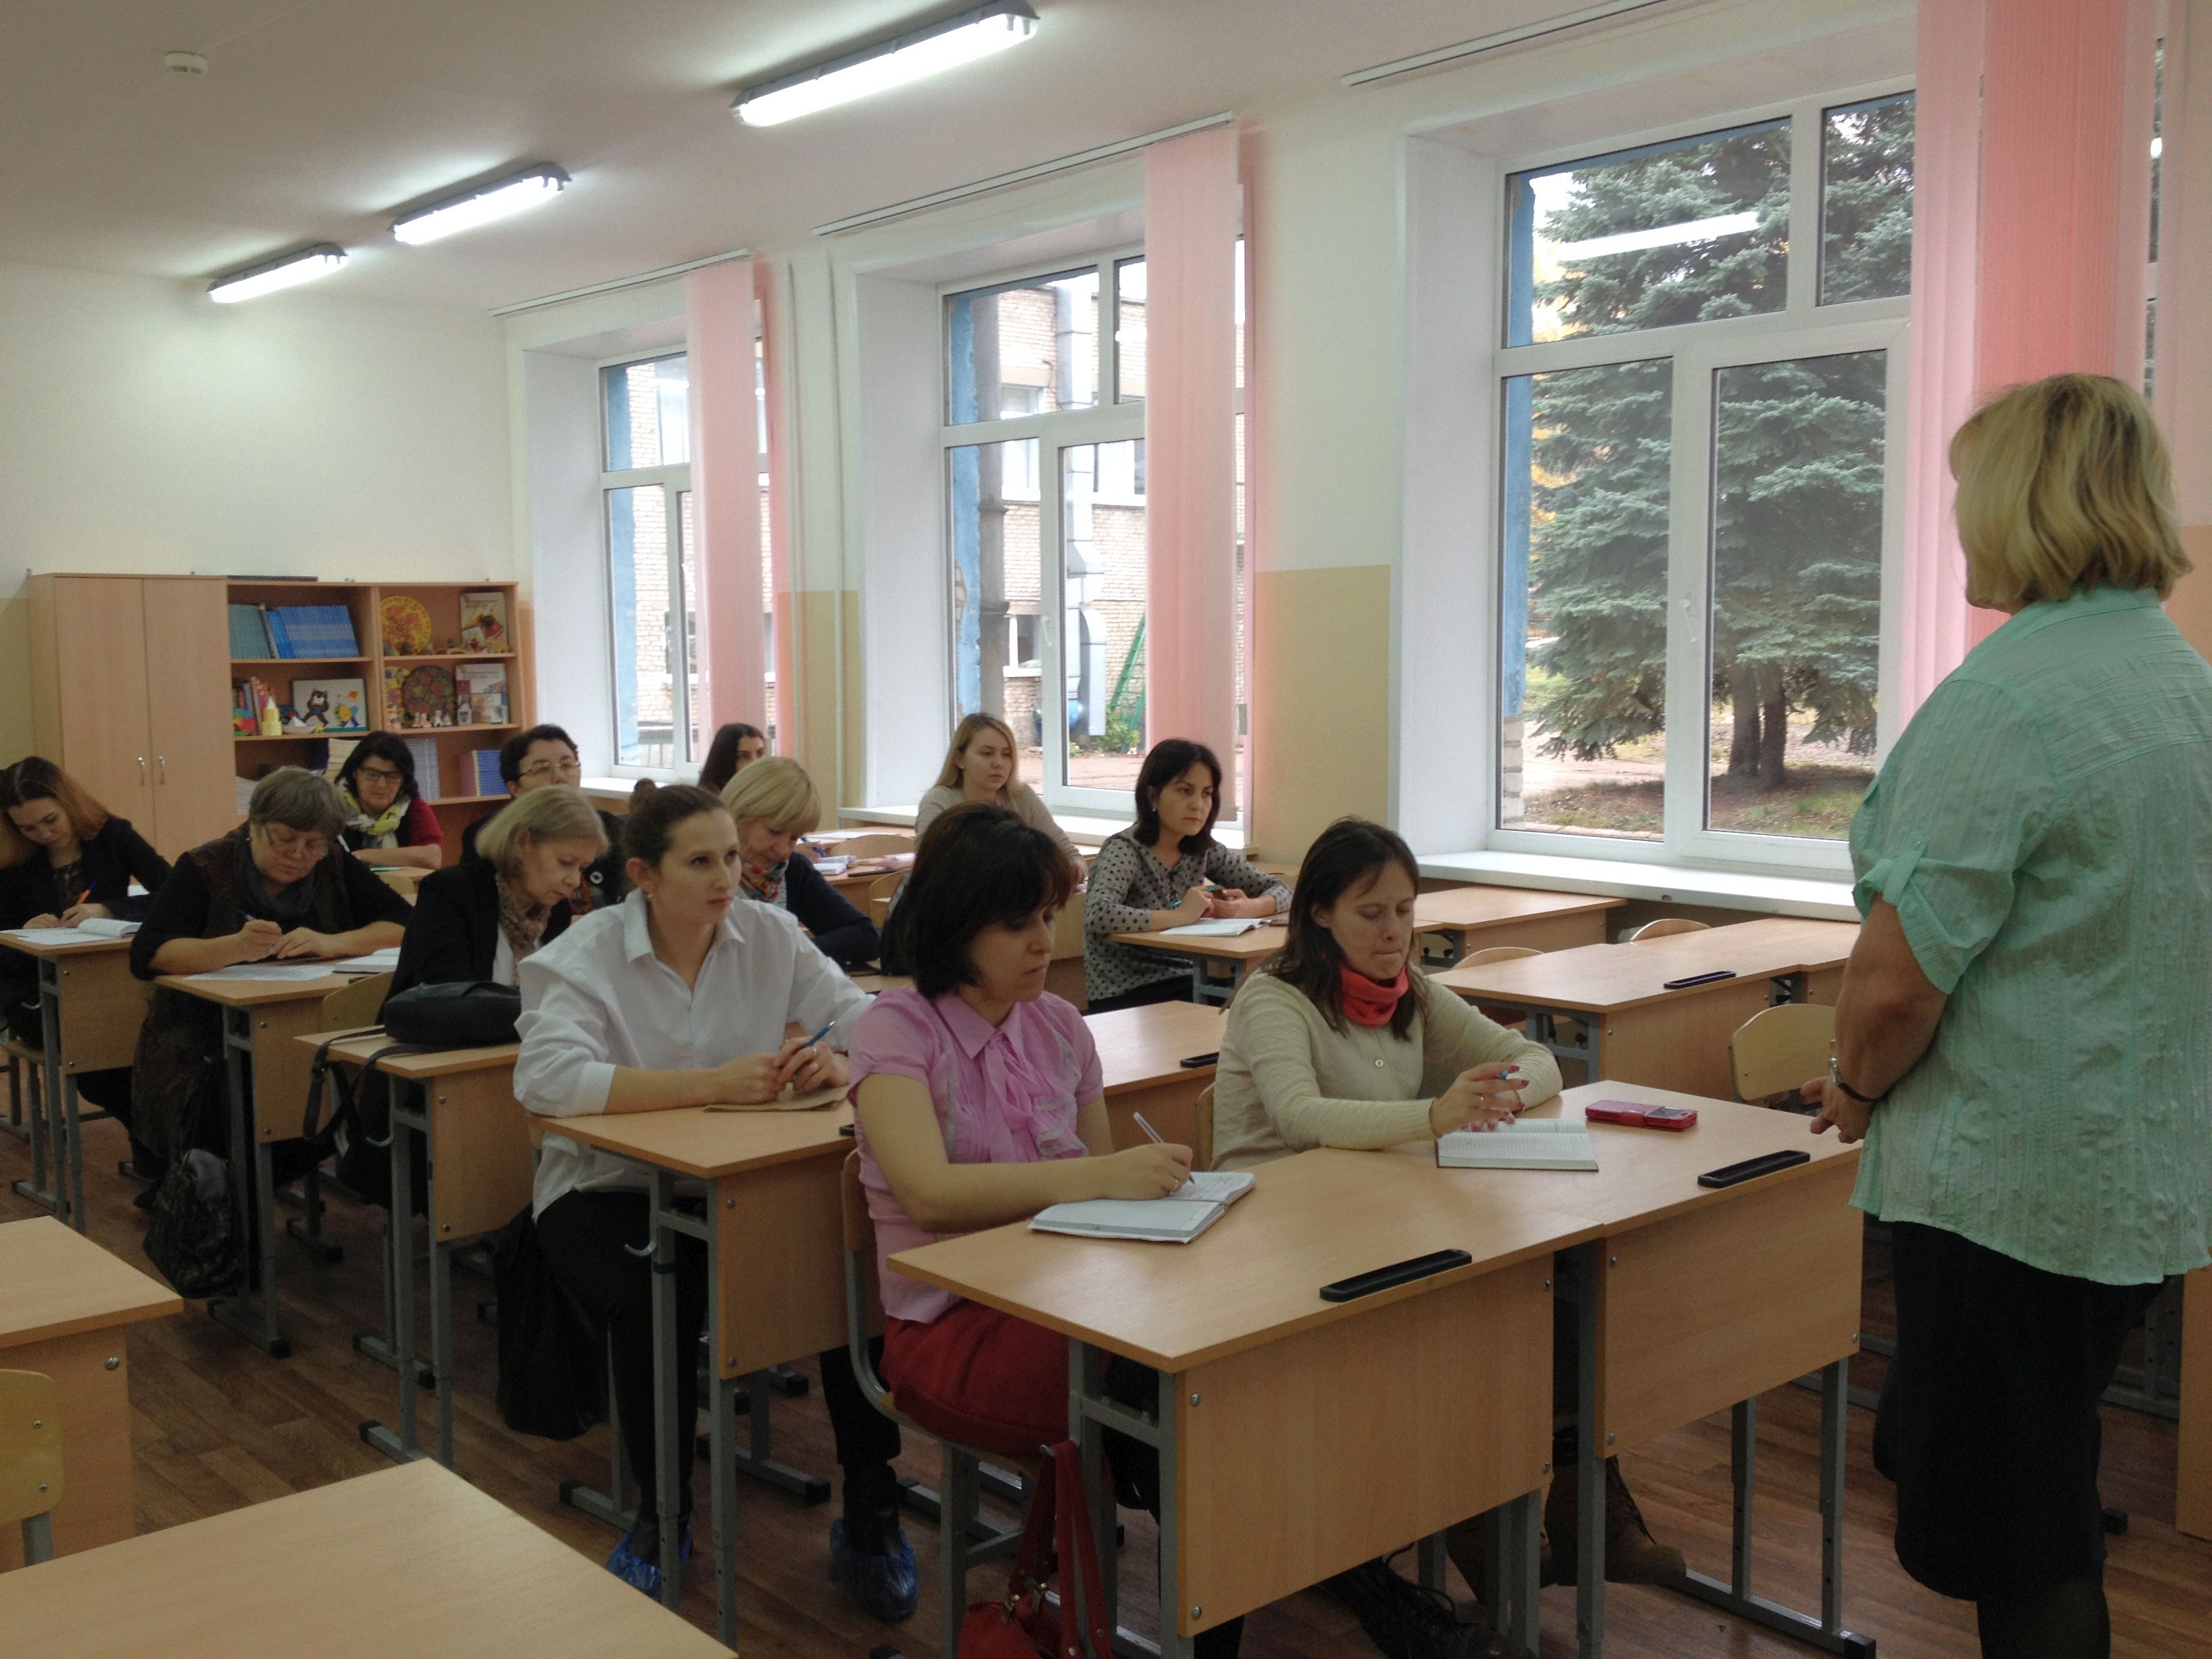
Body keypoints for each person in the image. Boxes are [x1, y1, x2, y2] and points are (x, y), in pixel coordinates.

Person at [1803, 374, 2212, 1659]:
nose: (1957, 526)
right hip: (2130, 1173)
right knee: (2037, 1480)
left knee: (2015, 1534)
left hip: (2009, 1191)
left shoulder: (2006, 698)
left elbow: (1894, 983)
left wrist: (1852, 1088)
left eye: (1966, 497)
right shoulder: (2178, 678)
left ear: (2024, 505)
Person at [1210, 819, 1678, 1650]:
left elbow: (1534, 1060)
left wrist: (1494, 1094)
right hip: (1278, 1241)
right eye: (1371, 914)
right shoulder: (1273, 999)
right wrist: (1434, 1114)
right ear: (1318, 913)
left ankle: (1580, 1501)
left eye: (1405, 911)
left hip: (1375, 1215)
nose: (1394, 932)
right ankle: (1477, 1519)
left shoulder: (1409, 991)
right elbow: (1300, 1116)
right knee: (1477, 1312)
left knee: (1557, 1280)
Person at [849, 804, 1243, 1659]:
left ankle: (1225, 1585)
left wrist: (1156, 1204)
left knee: (1215, 1373)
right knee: (1183, 1406)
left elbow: (1097, 1208)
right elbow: (931, 1197)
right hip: (952, 1328)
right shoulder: (893, 1030)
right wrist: (1099, 1178)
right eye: (1016, 924)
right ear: (955, 927)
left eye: (1048, 916)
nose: (1043, 941)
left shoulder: (1061, 1026)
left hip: (1068, 1300)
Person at [514, 785, 914, 1614]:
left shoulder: (769, 934)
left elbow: (865, 1020)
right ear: (643, 875)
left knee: (846, 1276)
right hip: (607, 1187)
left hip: (739, 1184)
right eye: (700, 861)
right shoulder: (585, 953)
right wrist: (708, 1084)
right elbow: (546, 1080)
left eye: (731, 856)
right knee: (652, 1301)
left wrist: (839, 1059)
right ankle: (661, 1519)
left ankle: (873, 1510)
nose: (727, 876)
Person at [130, 769, 409, 1183]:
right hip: (204, 1034)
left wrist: (335, 943)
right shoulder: (205, 866)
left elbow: (404, 922)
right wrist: (232, 948)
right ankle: (228, 1186)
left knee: (347, 1084)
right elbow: (148, 953)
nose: (298, 855)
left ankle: (272, 1173)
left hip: (307, 1025)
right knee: (240, 1094)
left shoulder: (332, 864)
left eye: (314, 845)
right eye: (284, 839)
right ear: (255, 827)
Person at [0, 756, 173, 1167]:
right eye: (28, 828)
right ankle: (160, 1153)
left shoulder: (113, 835)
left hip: (111, 982)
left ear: (68, 802)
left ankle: (163, 1154)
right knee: (98, 1060)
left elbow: (173, 893)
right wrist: (23, 929)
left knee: (158, 1045)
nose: (43, 835)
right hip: (34, 991)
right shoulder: (14, 857)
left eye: (50, 820)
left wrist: (110, 908)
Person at [1084, 737, 1290, 1012]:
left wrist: (1247, 908)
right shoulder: (1125, 849)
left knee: (1267, 1001)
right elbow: (1098, 914)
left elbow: (1282, 890)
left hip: (1187, 980)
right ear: (1152, 796)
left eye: (1206, 793)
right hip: (1127, 990)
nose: (1198, 804)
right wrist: (1181, 916)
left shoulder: (1202, 849)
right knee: (1243, 1009)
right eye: (1185, 791)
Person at [389, 785, 603, 996]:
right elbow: (449, 998)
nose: (574, 881)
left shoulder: (556, 910)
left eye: (582, 868)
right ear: (522, 841)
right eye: (565, 862)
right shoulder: (450, 894)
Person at [720, 757, 880, 970]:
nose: (784, 850)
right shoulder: (705, 875)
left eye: (794, 838)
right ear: (740, 815)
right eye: (774, 831)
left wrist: (792, 952)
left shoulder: (792, 869)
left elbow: (865, 936)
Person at [460, 724, 626, 911]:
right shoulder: (488, 835)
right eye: (542, 769)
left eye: (567, 765)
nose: (559, 778)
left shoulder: (609, 828)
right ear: (516, 788)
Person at [915, 714, 1084, 884]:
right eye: (987, 754)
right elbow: (931, 867)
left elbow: (1072, 857)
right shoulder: (939, 800)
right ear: (960, 759)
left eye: (1006, 754)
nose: (998, 763)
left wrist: (1071, 872)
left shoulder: (1021, 796)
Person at [334, 733, 444, 872]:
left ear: (403, 780)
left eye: (392, 776)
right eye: (372, 774)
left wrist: (363, 856)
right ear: (355, 773)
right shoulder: (333, 808)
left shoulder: (412, 808)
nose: (381, 784)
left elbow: (433, 857)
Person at [695, 722, 767, 794]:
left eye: (760, 754)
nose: (755, 762)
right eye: (743, 756)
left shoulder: (765, 791)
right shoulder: (709, 798)